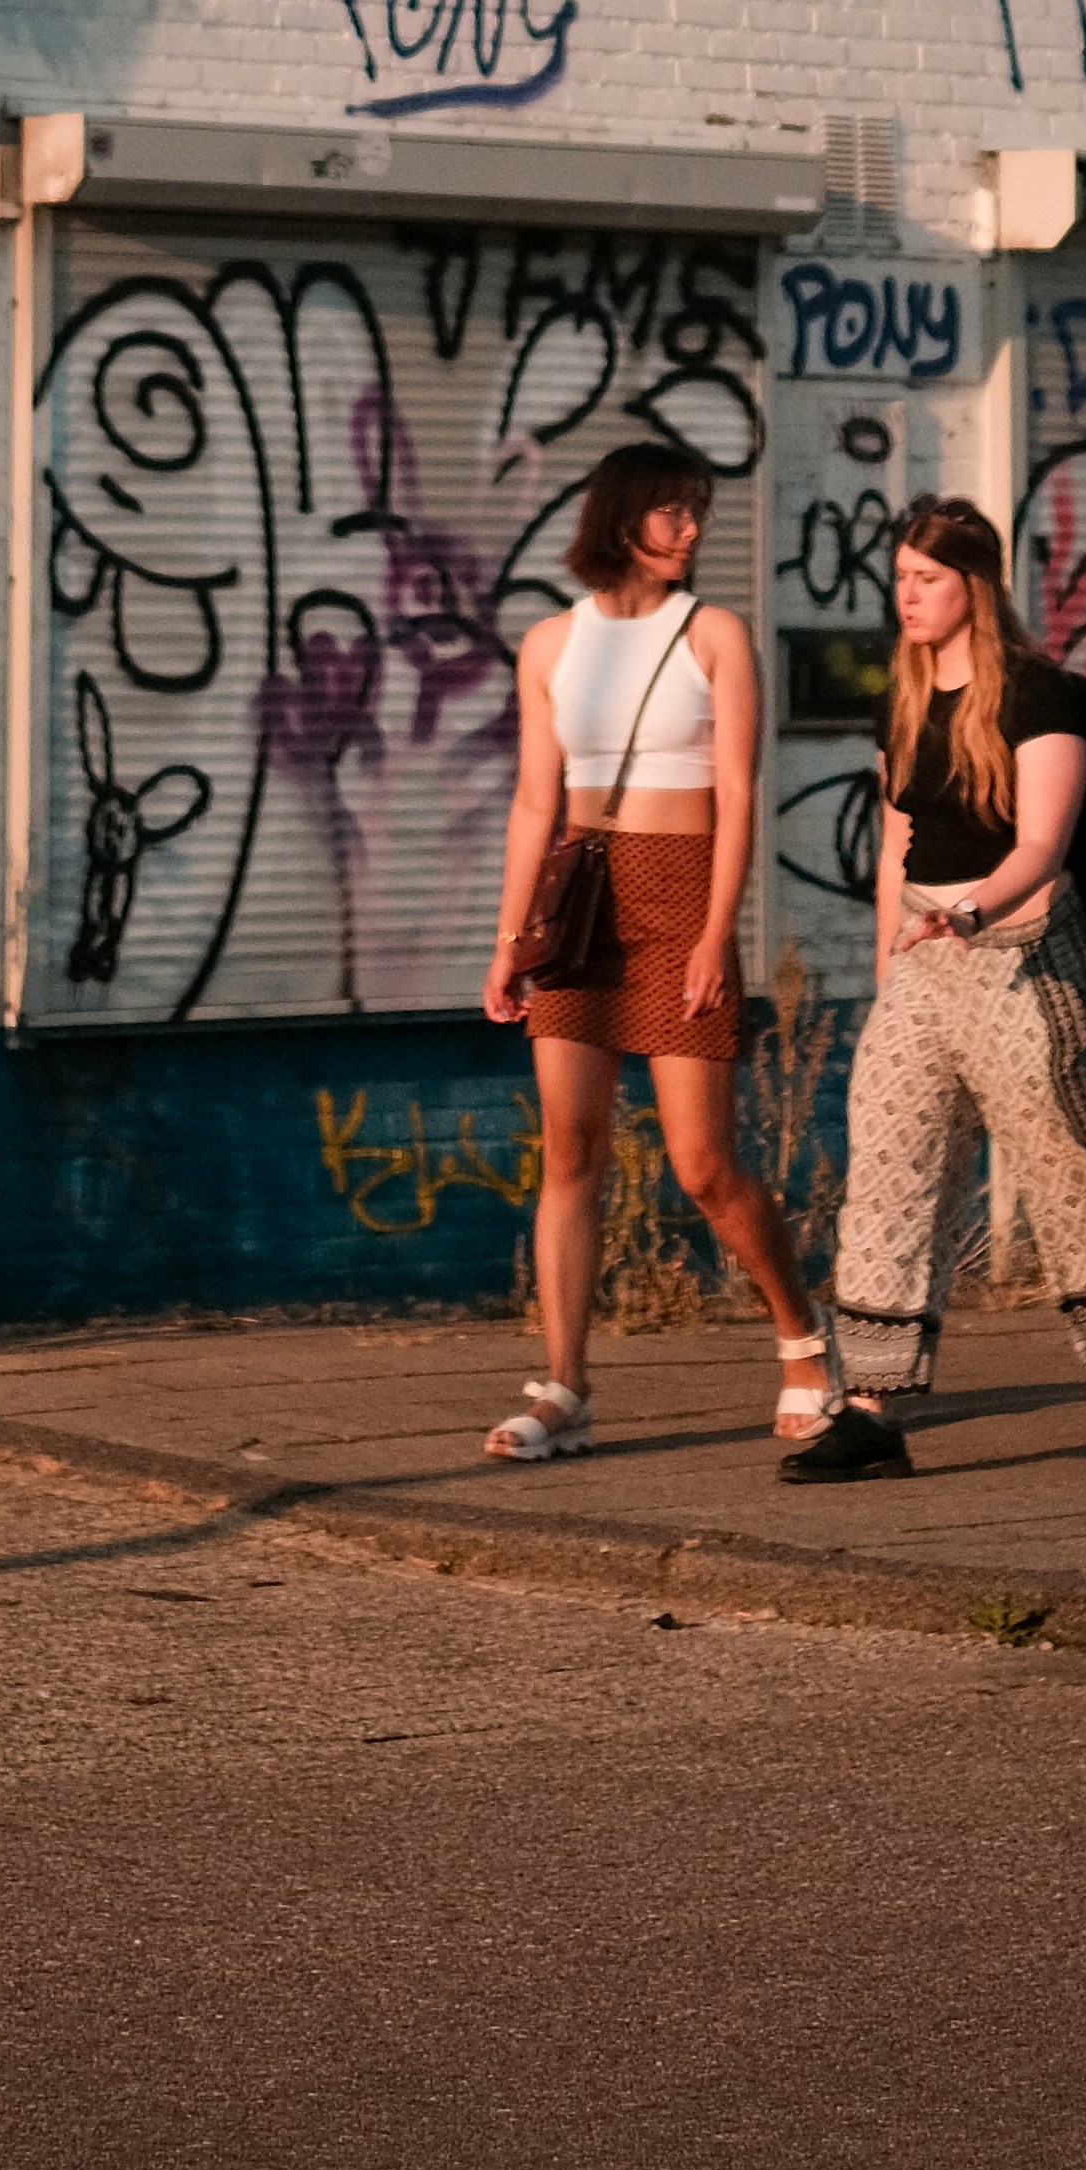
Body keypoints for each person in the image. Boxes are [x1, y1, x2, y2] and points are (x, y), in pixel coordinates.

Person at [786, 491, 1086, 1481]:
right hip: (923, 964)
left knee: (1077, 1172)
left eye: (926, 579)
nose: (906, 596)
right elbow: (896, 846)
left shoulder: (1039, 697)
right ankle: (871, 1409)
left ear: (974, 585)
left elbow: (1041, 844)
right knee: (891, 1169)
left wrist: (971, 911)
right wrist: (890, 970)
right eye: (899, 578)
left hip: (1027, 956)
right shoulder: (903, 700)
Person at [478, 440, 855, 1468]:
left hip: (681, 891)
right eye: (673, 511)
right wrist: (508, 942)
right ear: (621, 518)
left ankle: (802, 1340)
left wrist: (715, 931)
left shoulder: (715, 634)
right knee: (569, 1153)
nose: (692, 529)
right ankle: (565, 1388)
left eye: (698, 511)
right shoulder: (550, 644)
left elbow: (736, 793)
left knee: (702, 1165)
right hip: (580, 905)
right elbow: (533, 801)